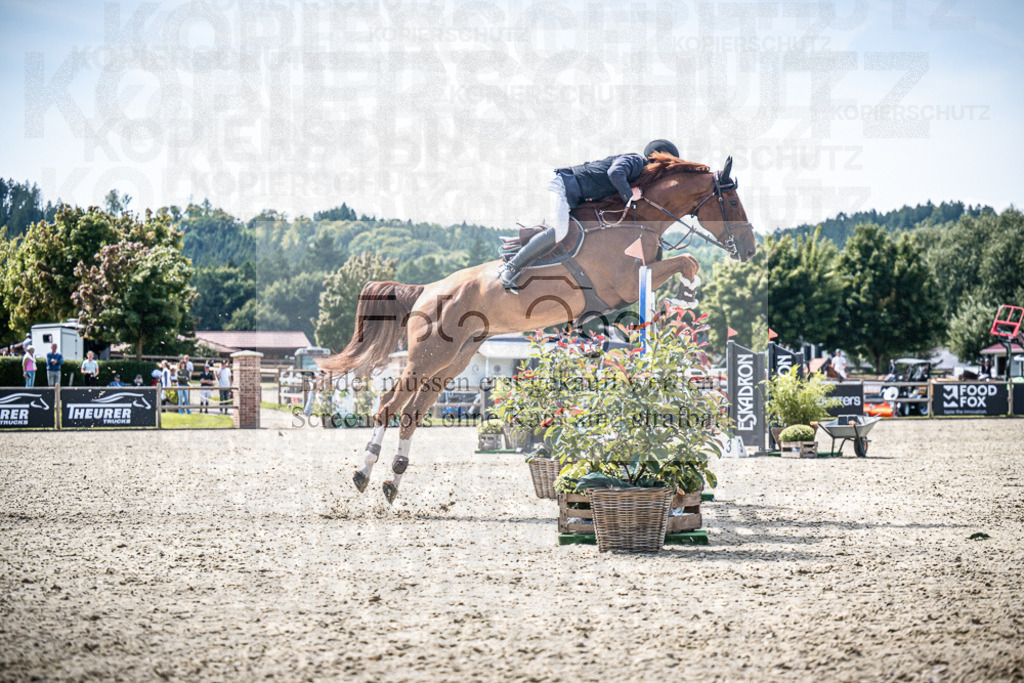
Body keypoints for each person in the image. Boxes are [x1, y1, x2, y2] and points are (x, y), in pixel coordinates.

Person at [497, 139, 681, 292]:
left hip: (573, 198)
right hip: (561, 185)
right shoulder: (635, 160)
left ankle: (519, 251)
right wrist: (629, 195)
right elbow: (614, 172)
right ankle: (510, 267)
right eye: (662, 163)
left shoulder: (637, 177)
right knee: (559, 231)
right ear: (652, 156)